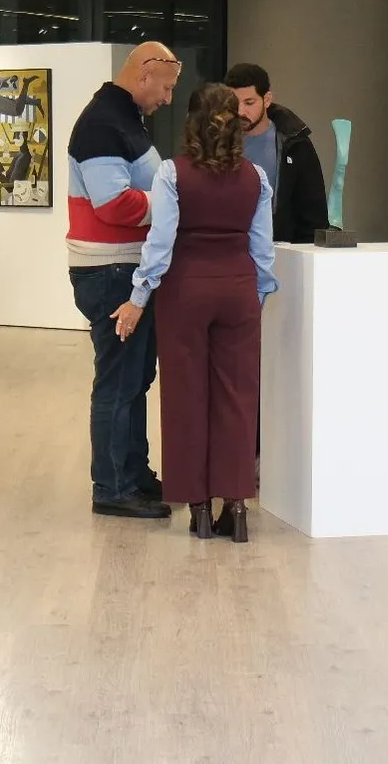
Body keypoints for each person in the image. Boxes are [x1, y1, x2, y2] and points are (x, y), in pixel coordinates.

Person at [112, 83, 278, 543]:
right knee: (237, 398)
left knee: (186, 398)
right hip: (238, 290)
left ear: (191, 124)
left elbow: (160, 243)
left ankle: (199, 508)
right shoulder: (256, 178)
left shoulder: (172, 173)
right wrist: (257, 294)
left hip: (185, 292)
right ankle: (237, 506)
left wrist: (138, 297)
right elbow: (262, 249)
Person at [67, 41, 183, 519]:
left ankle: (133, 475)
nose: (168, 99)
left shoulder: (122, 120)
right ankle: (114, 487)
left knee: (133, 378)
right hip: (111, 270)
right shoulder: (103, 125)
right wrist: (173, 203)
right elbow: (114, 205)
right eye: (167, 88)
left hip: (120, 268)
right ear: (144, 74)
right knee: (120, 381)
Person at [224, 63, 334, 242]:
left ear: (267, 99)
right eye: (234, 103)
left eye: (249, 103)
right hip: (227, 248)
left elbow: (313, 214)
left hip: (281, 250)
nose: (240, 111)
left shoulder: (294, 143)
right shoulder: (217, 141)